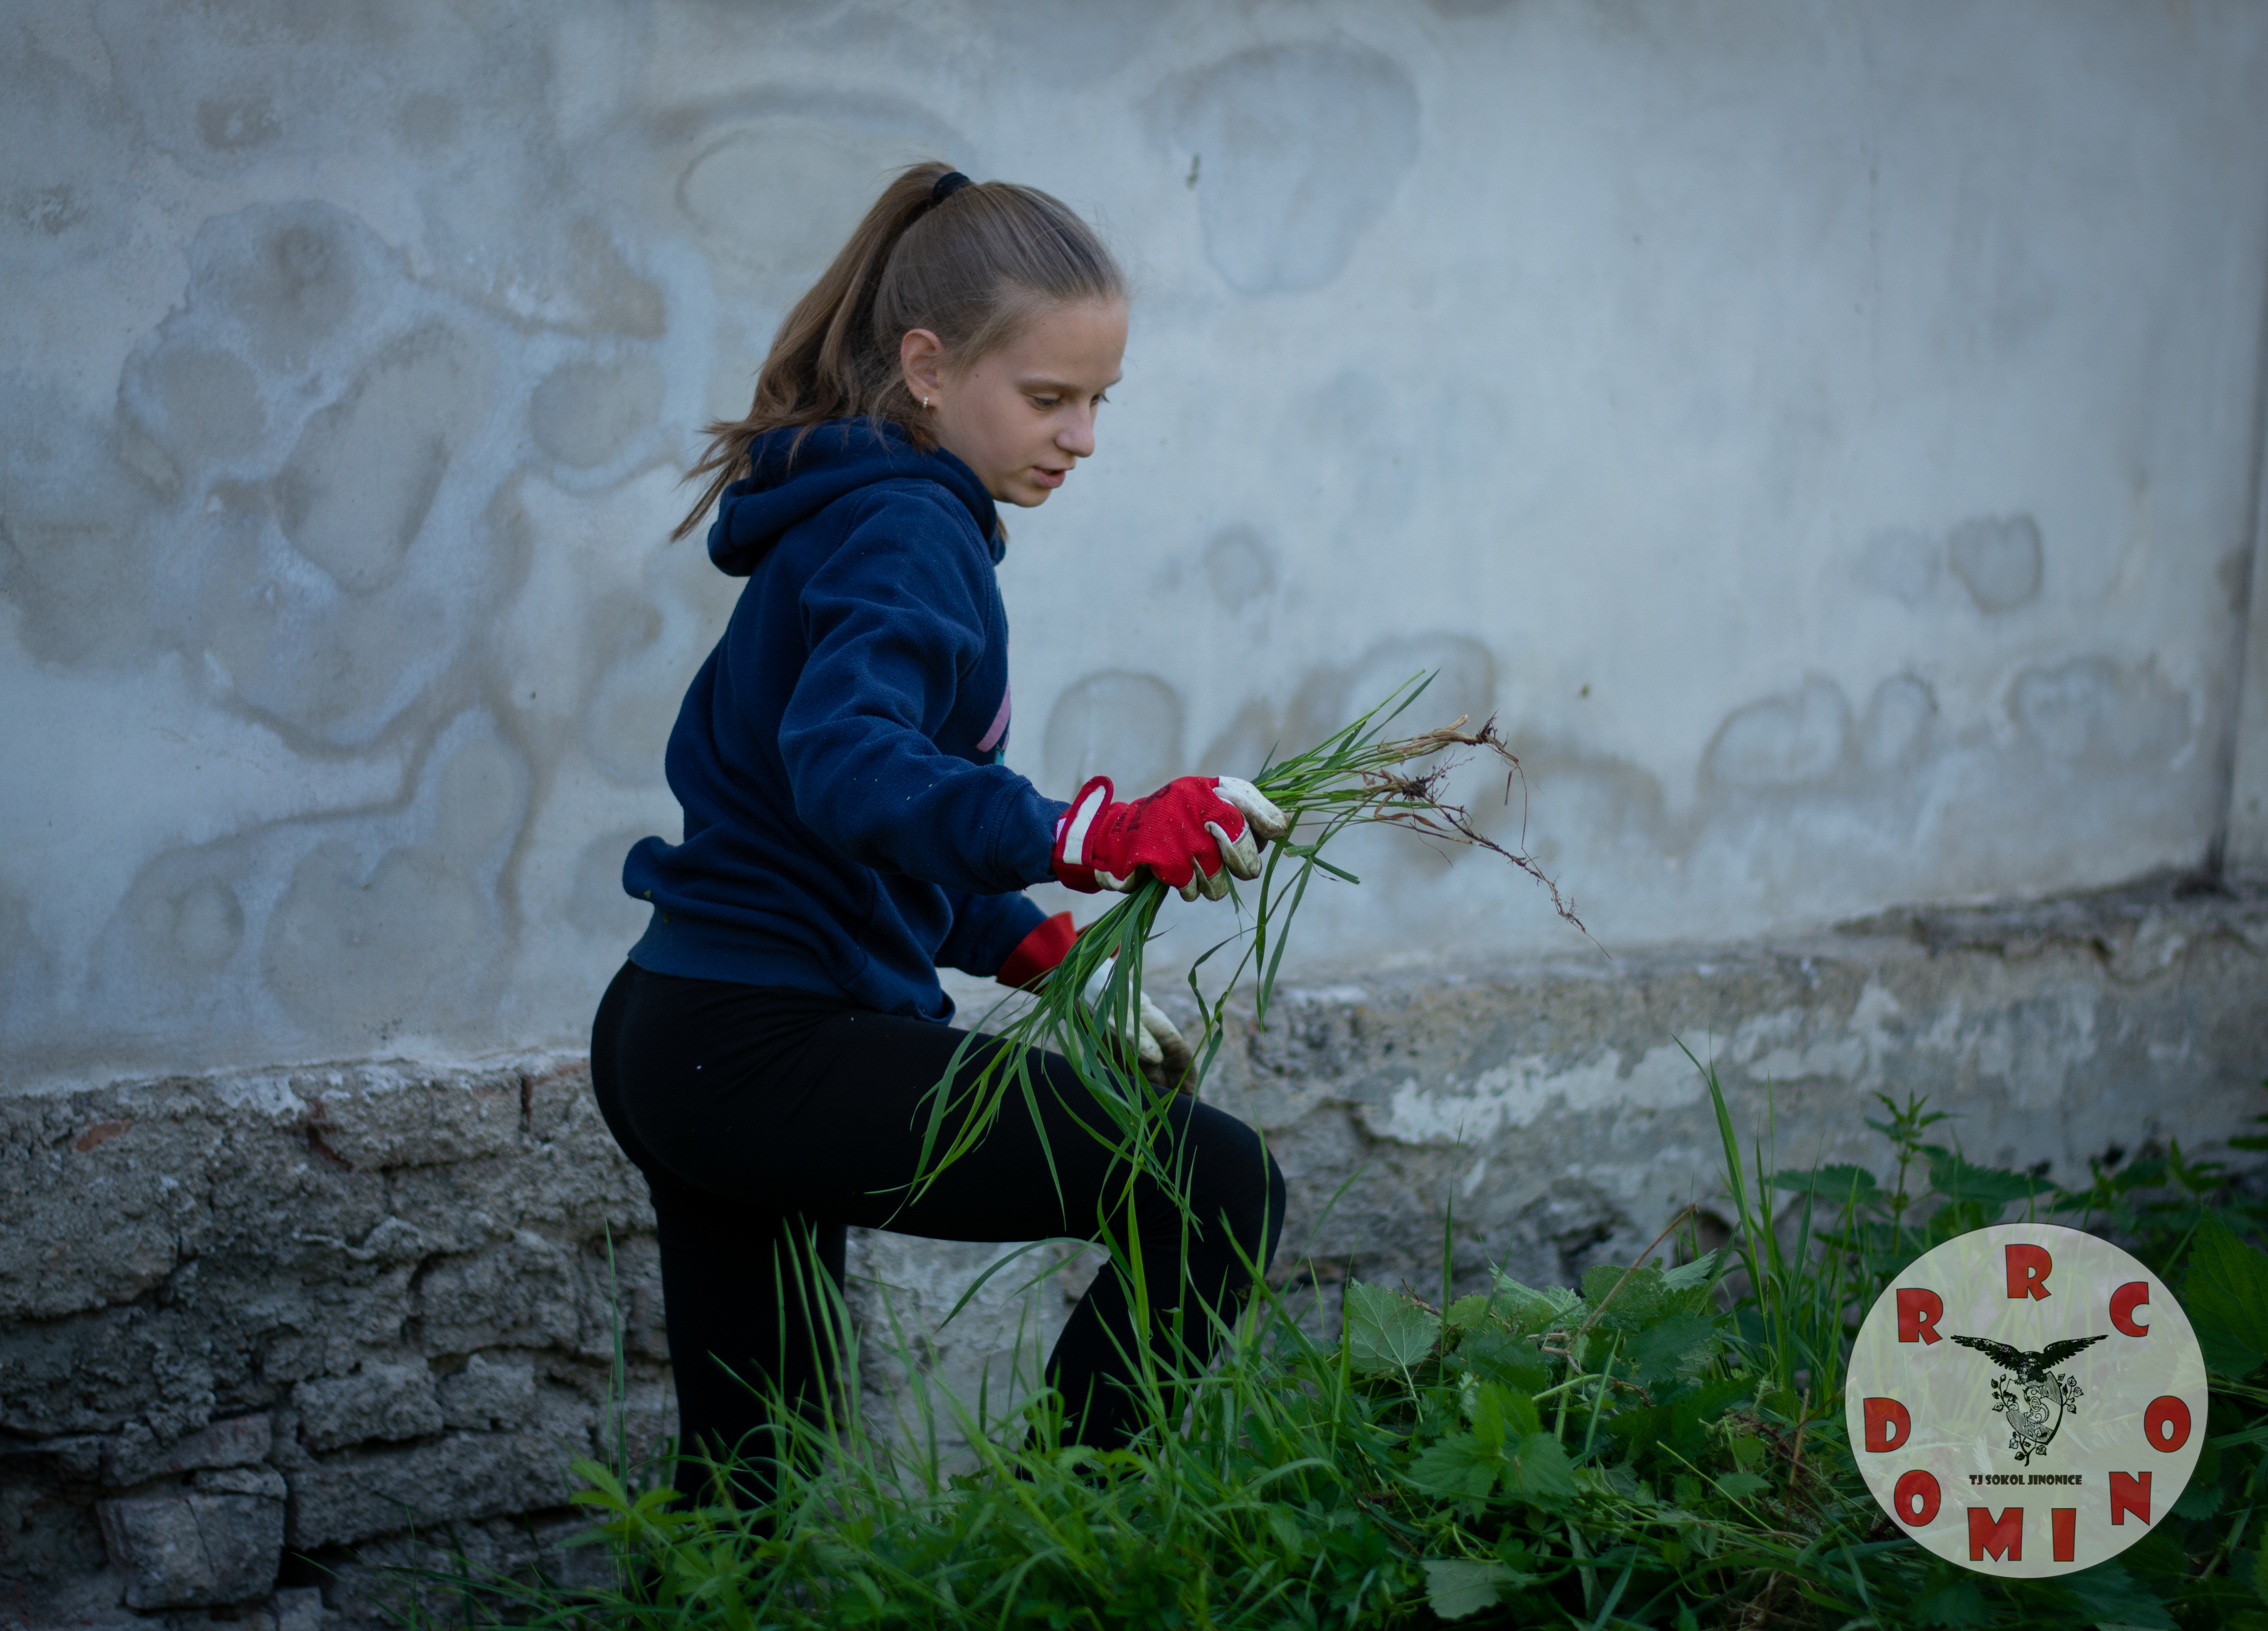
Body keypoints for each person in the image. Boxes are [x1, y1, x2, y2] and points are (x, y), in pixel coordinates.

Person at [589, 162, 1290, 1500]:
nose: (1083, 437)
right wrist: (1103, 829)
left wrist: (1040, 952)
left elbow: (851, 825)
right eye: (1049, 398)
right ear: (925, 365)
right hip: (759, 1037)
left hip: (681, 1027)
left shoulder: (872, 512)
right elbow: (856, 772)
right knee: (1212, 1185)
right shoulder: (910, 527)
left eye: (1100, 402)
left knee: (752, 1485)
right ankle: (1059, 1545)